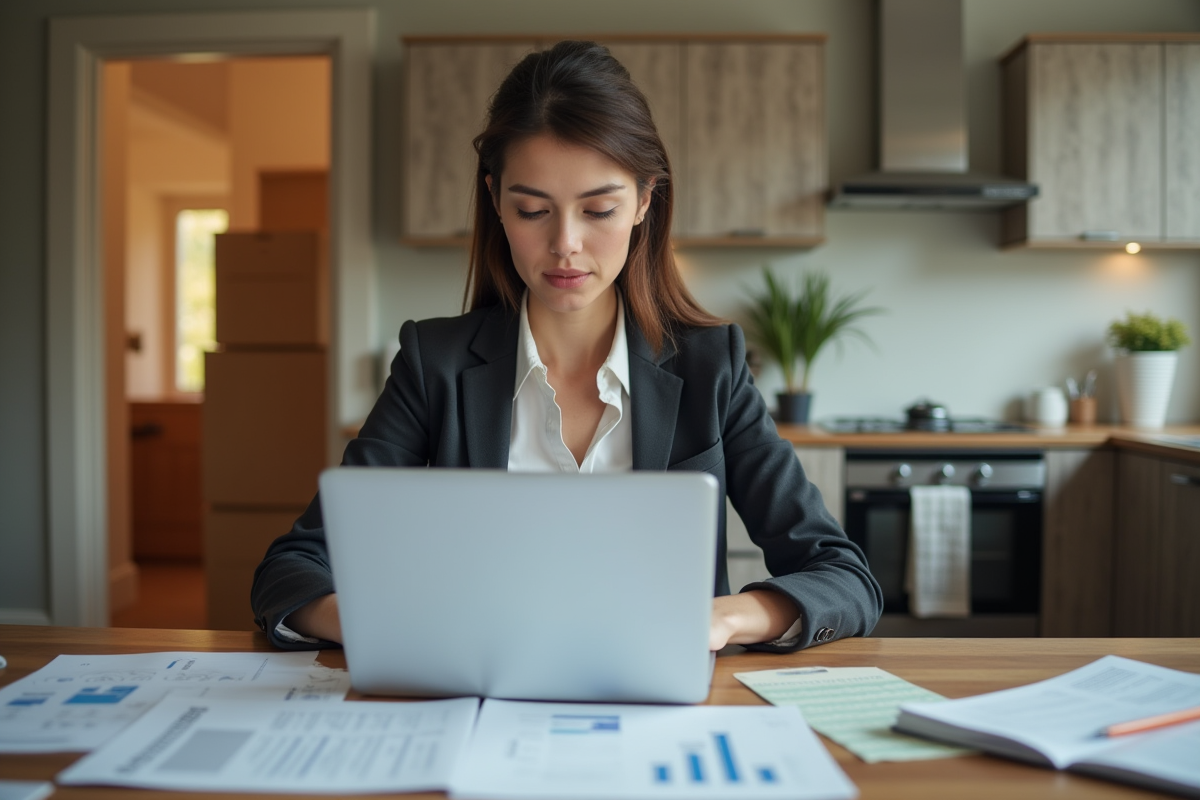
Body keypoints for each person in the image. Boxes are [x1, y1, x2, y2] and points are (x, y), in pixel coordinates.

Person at [251, 40, 882, 652]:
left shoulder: (710, 366)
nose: (566, 245)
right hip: (476, 704)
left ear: (643, 202)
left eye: (598, 210)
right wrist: (391, 625)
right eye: (533, 211)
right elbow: (293, 570)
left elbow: (843, 576)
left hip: (660, 713)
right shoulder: (433, 365)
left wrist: (723, 619)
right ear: (496, 200)